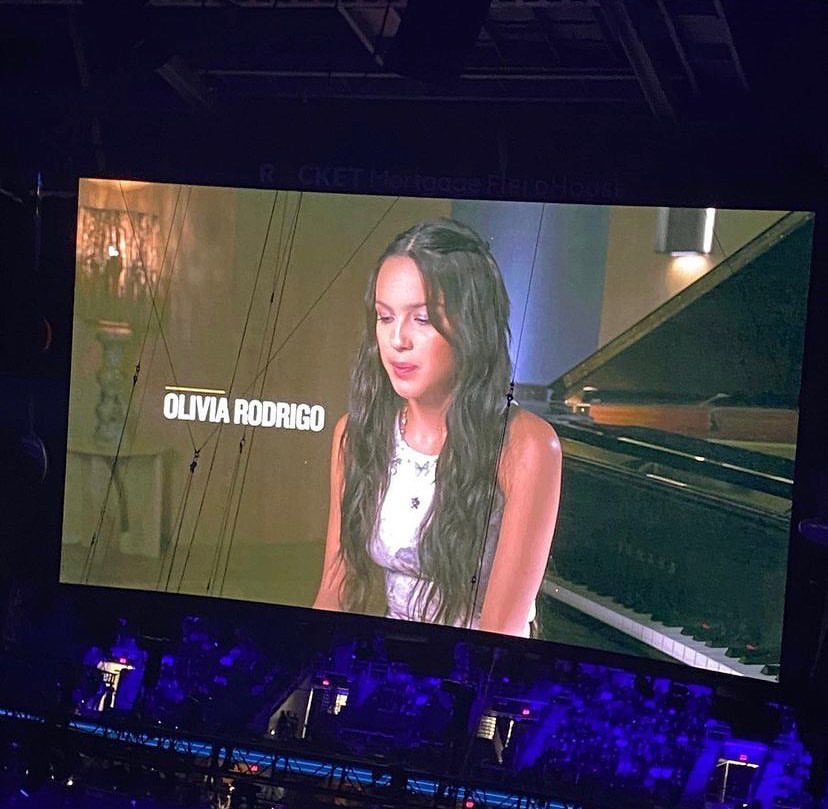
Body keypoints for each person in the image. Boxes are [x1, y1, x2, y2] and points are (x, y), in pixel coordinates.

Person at [314, 218, 562, 638]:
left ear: (471, 326)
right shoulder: (354, 435)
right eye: (385, 317)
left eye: (422, 319)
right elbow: (333, 595)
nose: (397, 340)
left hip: (481, 673)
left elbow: (499, 633)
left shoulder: (525, 445)